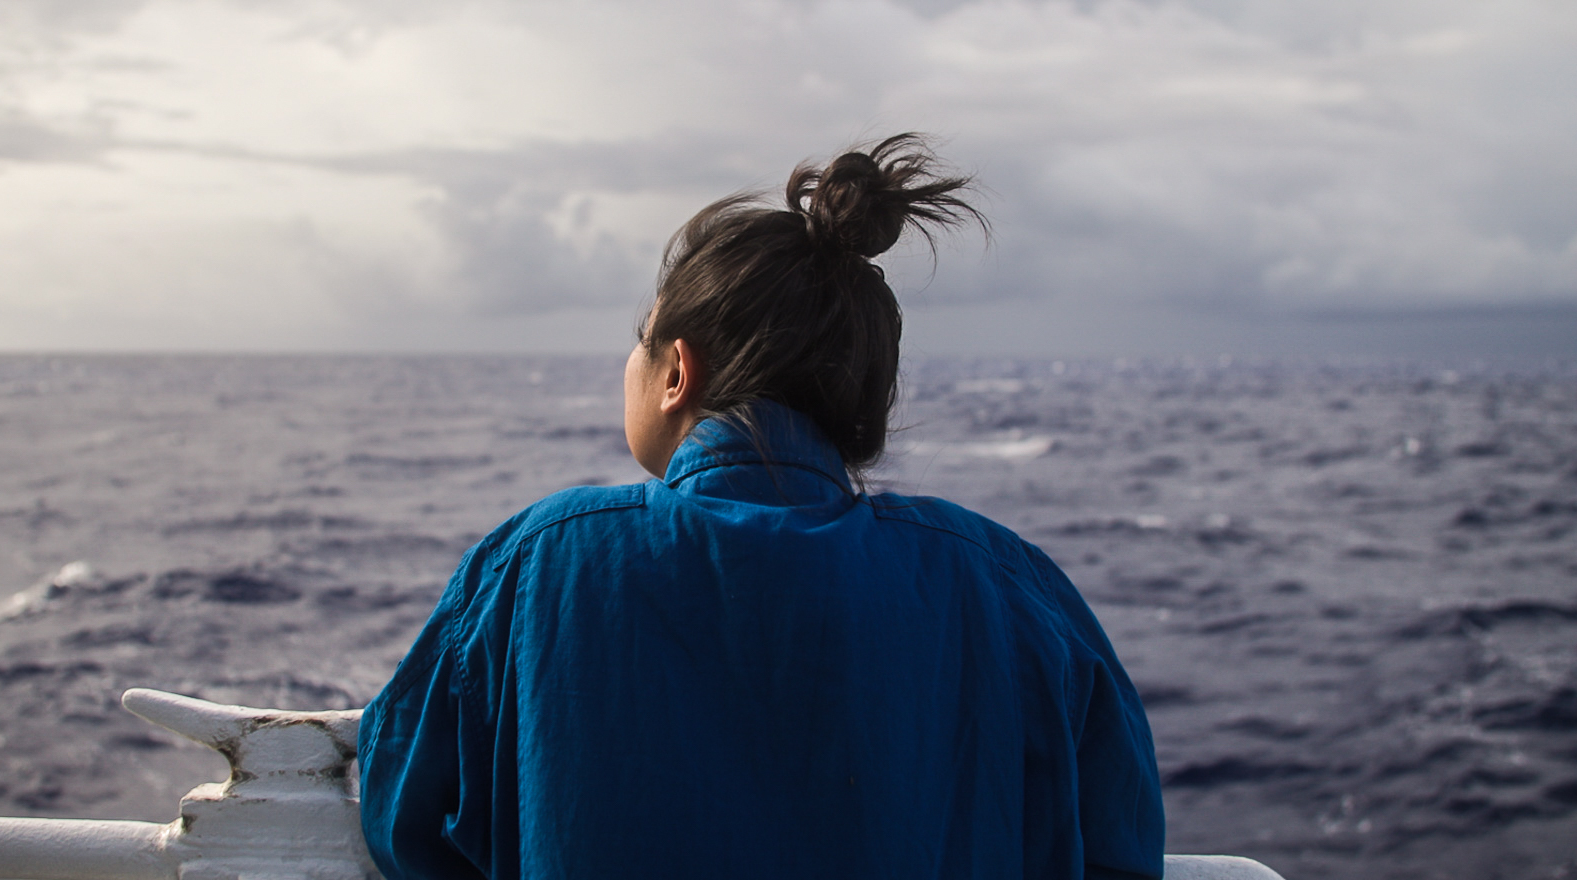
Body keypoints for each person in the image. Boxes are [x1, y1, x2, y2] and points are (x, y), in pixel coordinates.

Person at [357, 135, 1165, 879]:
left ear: (678, 371)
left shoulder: (539, 560)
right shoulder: (1008, 585)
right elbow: (1118, 848)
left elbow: (406, 817)